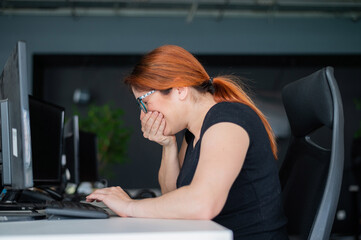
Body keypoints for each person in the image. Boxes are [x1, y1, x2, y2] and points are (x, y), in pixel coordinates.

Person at [86, 45, 289, 240]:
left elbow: (202, 203)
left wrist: (129, 207)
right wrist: (168, 145)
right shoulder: (193, 132)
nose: (143, 115)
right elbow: (174, 197)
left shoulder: (228, 119)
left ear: (180, 89)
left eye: (144, 102)